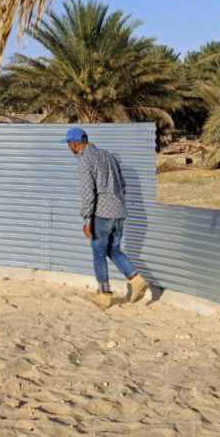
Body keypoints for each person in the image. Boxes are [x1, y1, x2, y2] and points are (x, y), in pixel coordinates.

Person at [64, 127, 148, 308]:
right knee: (114, 249)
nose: (69, 148)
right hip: (119, 211)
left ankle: (104, 294)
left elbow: (88, 194)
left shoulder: (85, 160)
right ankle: (135, 279)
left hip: (102, 214)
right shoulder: (108, 155)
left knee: (99, 254)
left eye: (68, 145)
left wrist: (87, 220)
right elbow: (123, 184)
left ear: (74, 144)